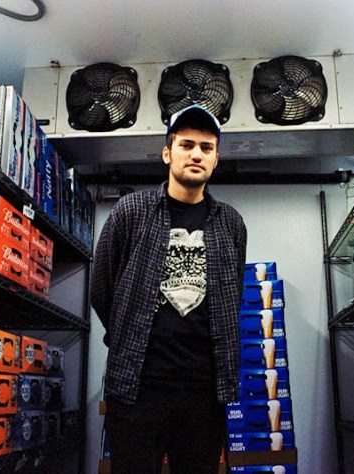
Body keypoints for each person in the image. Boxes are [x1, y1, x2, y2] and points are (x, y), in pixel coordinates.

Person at [91, 105, 247, 473]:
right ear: (167, 153)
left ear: (216, 159)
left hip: (205, 391)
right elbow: (101, 290)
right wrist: (127, 337)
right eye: (186, 145)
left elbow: (232, 296)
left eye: (206, 148)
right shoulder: (131, 212)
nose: (196, 154)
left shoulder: (231, 223)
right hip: (137, 387)